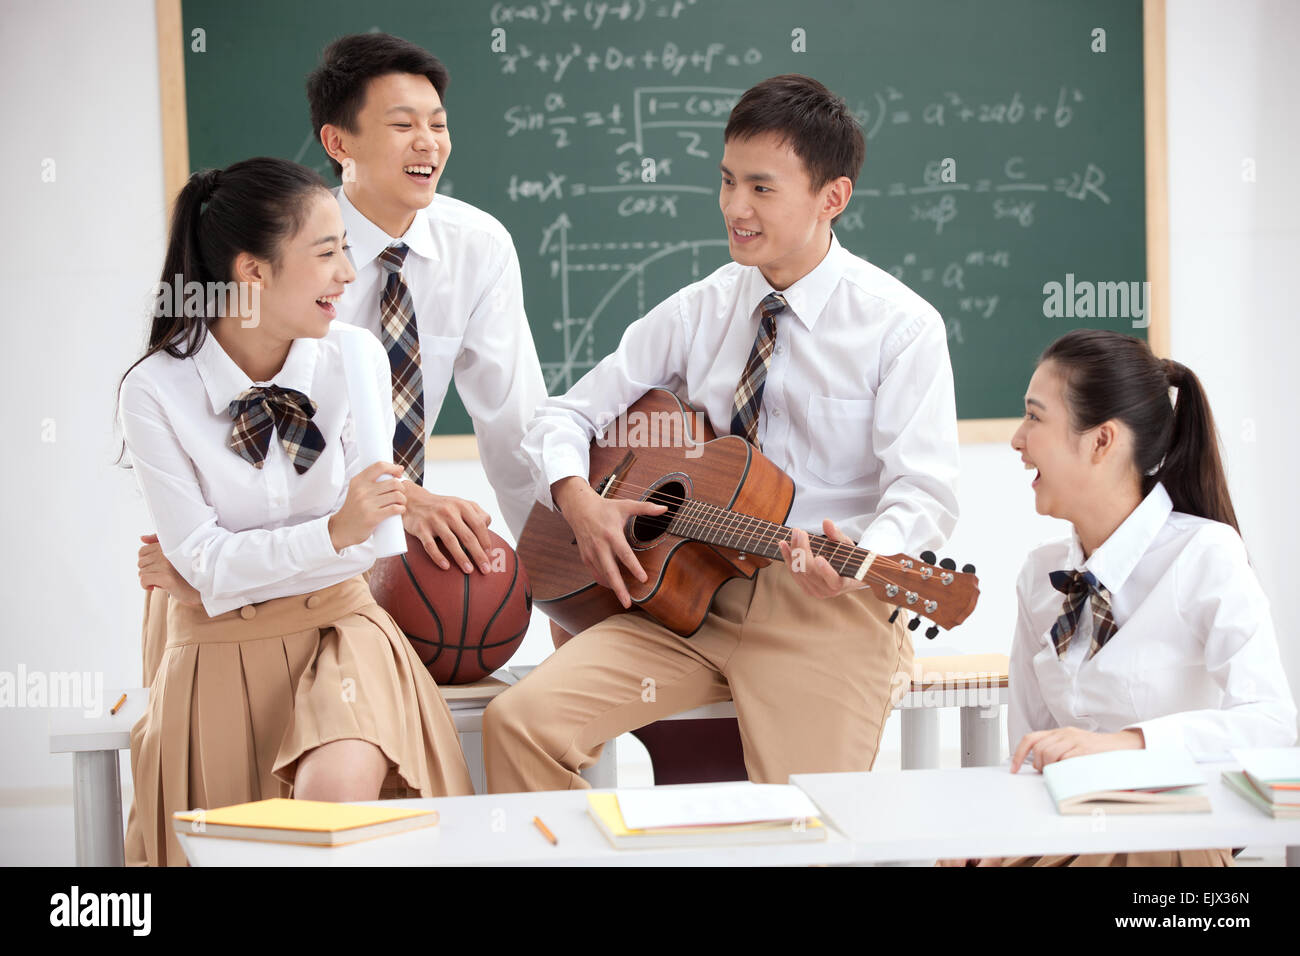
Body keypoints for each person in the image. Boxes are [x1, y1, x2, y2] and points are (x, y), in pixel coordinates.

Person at [483, 74, 961, 792]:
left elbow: (923, 494)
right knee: (519, 724)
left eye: (762, 189)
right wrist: (578, 498)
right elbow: (565, 415)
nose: (736, 208)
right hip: (686, 596)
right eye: (727, 181)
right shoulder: (697, 309)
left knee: (812, 825)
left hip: (820, 609)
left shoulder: (901, 326)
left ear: (832, 198)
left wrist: (865, 555)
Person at [137, 32, 548, 687]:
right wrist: (200, 565)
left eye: (439, 124)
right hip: (271, 568)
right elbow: (260, 465)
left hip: (371, 550)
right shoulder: (278, 263)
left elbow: (516, 427)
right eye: (403, 124)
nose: (429, 142)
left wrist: (556, 579)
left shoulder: (478, 247)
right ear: (338, 143)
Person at [119, 158, 473, 866]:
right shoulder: (155, 391)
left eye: (345, 248)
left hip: (341, 629)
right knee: (249, 850)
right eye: (327, 252)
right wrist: (316, 537)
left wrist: (215, 578)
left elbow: (373, 542)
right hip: (215, 650)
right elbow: (209, 562)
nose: (348, 273)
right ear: (253, 272)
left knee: (326, 812)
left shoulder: (354, 356)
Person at [942, 329, 1296, 867]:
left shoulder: (1205, 554)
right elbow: (1030, 751)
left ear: (1101, 440)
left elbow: (1272, 724)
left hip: (1169, 840)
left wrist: (1128, 744)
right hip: (1066, 831)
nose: (1017, 439)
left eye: (1035, 418)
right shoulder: (1041, 576)